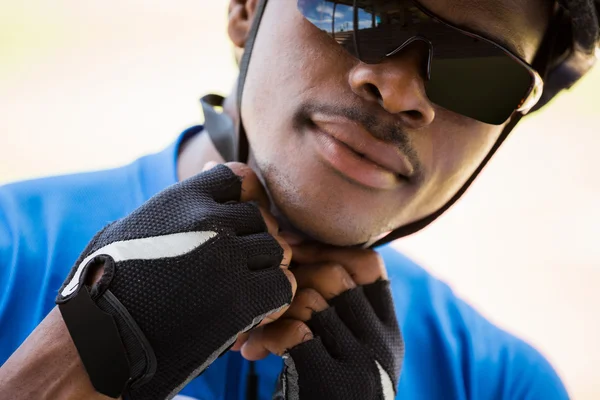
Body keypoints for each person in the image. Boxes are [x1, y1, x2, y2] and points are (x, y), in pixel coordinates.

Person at [0, 0, 598, 398]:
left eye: (481, 72)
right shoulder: (9, 247)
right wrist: (82, 354)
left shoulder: (500, 384)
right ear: (245, 9)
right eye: (358, 9)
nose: (396, 90)